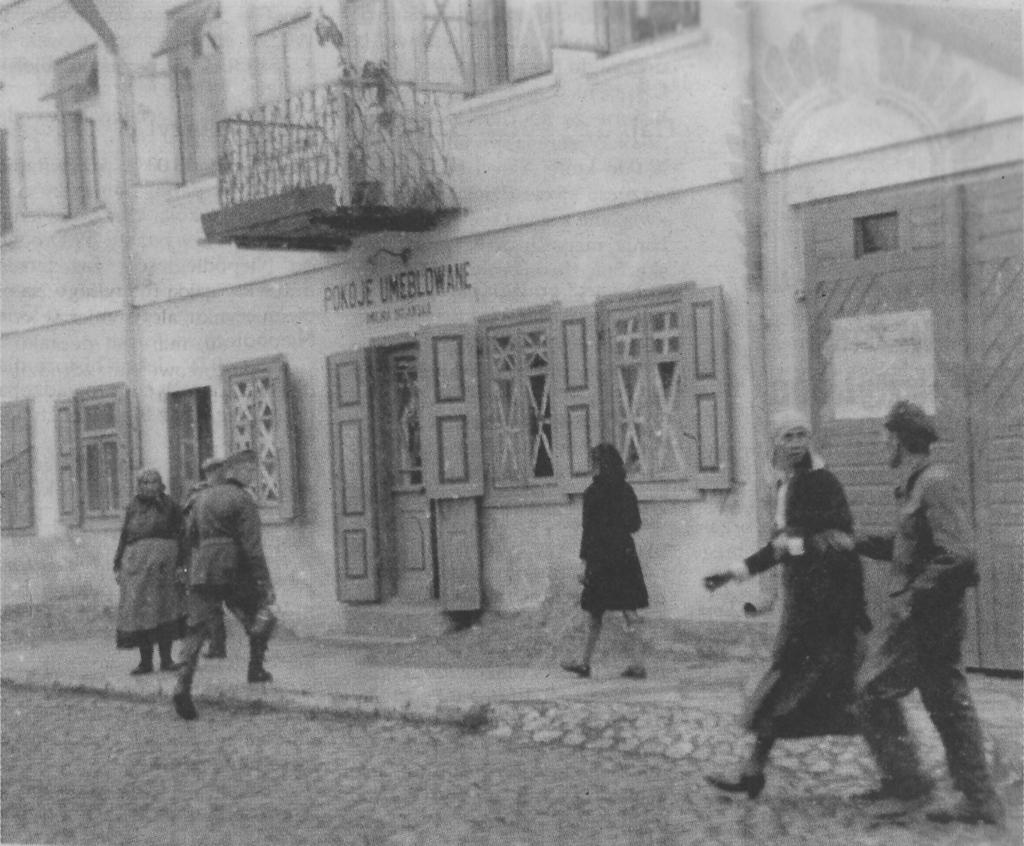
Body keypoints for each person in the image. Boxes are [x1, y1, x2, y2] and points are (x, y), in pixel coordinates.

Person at [703, 411, 868, 799]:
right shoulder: (786, 485)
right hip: (803, 602)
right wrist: (734, 572)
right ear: (776, 443)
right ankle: (752, 771)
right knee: (786, 683)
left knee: (849, 688)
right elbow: (779, 546)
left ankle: (899, 774)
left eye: (801, 435)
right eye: (788, 436)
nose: (796, 443)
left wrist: (793, 546)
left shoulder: (823, 482)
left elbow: (837, 536)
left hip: (830, 603)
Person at [853, 400, 1004, 826]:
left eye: (885, 437)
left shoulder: (933, 482)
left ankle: (909, 786)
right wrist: (857, 540)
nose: (882, 444)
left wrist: (912, 598)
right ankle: (978, 799)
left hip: (925, 619)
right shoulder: (917, 484)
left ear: (899, 440)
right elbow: (910, 547)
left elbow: (960, 554)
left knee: (870, 690)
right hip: (929, 616)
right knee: (947, 701)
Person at [173, 449, 278, 720]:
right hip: (235, 568)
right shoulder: (242, 499)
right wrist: (264, 582)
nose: (252, 475)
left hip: (203, 569)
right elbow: (253, 547)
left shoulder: (199, 499)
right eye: (249, 471)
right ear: (234, 473)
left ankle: (182, 684)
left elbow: (189, 537)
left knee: (196, 627)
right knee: (259, 615)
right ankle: (256, 669)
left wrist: (192, 567)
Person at [561, 442, 648, 680]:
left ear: (600, 465)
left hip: (600, 557)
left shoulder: (592, 493)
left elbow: (588, 532)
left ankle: (584, 663)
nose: (593, 467)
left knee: (595, 612)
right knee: (629, 610)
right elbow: (635, 525)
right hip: (623, 555)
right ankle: (638, 665)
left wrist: (584, 564)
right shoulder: (626, 490)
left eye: (595, 463)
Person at [113, 469, 186, 675]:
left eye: (153, 482)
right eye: (144, 482)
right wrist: (118, 564)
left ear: (160, 484)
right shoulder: (132, 507)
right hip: (136, 567)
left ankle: (166, 660)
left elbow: (182, 536)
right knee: (141, 612)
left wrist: (182, 565)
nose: (149, 486)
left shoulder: (171, 506)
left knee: (164, 610)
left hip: (164, 567)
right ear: (139, 485)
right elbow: (125, 536)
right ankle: (145, 662)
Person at [181, 456, 228, 659]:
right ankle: (217, 643)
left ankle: (216, 645)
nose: (216, 474)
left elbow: (189, 527)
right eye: (214, 471)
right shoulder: (229, 492)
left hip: (205, 552)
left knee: (208, 599)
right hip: (221, 551)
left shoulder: (199, 495)